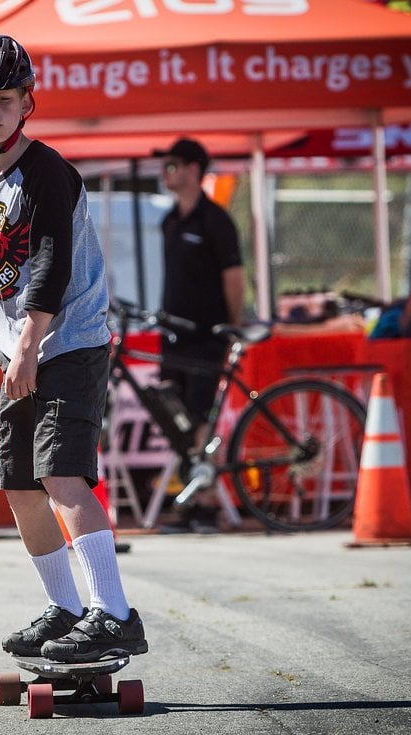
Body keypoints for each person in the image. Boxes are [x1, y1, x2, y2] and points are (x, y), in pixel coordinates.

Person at [0, 33, 148, 663]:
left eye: (4, 100)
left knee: (62, 474)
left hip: (69, 344)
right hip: (16, 357)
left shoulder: (49, 171)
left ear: (27, 103)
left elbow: (51, 265)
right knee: (20, 486)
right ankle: (65, 609)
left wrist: (31, 347)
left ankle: (114, 615)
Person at [152, 137, 245, 529]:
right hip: (173, 335)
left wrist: (232, 328)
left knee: (201, 420)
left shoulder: (216, 220)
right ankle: (191, 494)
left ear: (193, 170)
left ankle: (204, 503)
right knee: (178, 419)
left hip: (207, 336)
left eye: (173, 165)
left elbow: (234, 278)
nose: (165, 173)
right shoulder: (171, 219)